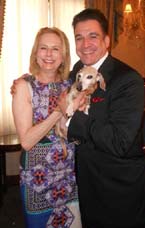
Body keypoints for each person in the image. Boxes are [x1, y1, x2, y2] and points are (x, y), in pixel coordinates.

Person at [58, 8, 145, 228]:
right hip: (88, 184)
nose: (85, 44)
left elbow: (119, 142)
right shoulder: (77, 69)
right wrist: (28, 81)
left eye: (92, 36)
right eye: (79, 38)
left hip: (122, 191)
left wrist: (72, 120)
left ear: (106, 41)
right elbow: (54, 80)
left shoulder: (128, 80)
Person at [12, 27, 82, 228]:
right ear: (35, 52)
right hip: (37, 180)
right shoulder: (23, 87)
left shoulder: (70, 85)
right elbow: (26, 141)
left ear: (64, 55)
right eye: (43, 48)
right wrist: (60, 111)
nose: (49, 54)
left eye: (55, 49)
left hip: (68, 176)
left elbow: (70, 132)